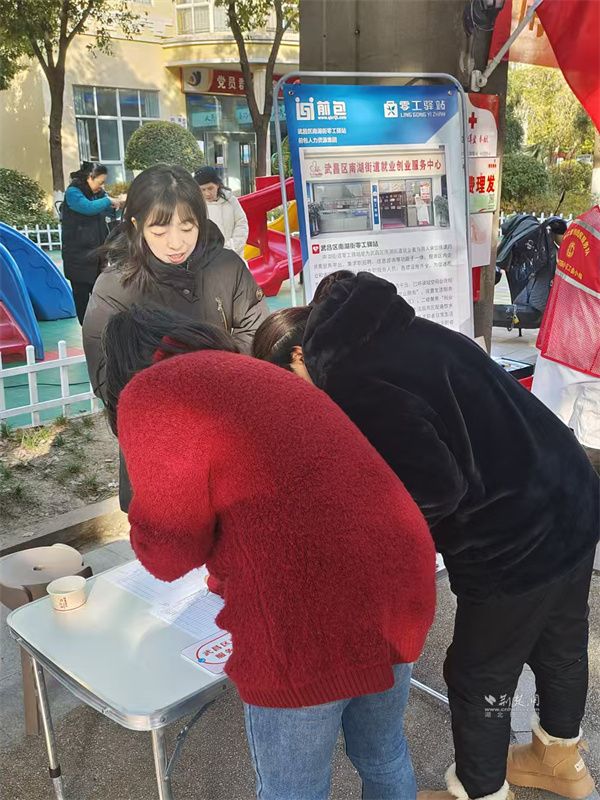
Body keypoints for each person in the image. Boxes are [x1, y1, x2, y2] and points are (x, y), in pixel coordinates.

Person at [253, 270, 599, 800]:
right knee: (561, 641)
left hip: (512, 540)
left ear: (299, 356)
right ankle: (559, 760)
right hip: (573, 494)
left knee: (478, 673)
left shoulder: (349, 377)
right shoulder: (393, 329)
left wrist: (354, 543)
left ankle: (481, 790)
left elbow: (433, 490)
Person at [101, 304, 437, 800]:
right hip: (398, 582)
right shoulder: (258, 372)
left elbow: (169, 554)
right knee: (384, 754)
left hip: (308, 621)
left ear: (120, 373)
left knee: (291, 790)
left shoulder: (150, 392)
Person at [82, 164, 269, 511]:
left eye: (187, 227)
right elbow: (108, 378)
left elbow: (257, 333)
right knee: (168, 534)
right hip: (158, 451)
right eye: (159, 229)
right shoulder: (115, 287)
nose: (176, 242)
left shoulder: (227, 266)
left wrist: (220, 381)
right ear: (136, 224)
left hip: (230, 435)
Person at [532, 205, 600, 474]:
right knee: (590, 433)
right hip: (589, 348)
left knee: (545, 424)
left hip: (563, 338)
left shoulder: (582, 224)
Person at [61, 161, 122, 324]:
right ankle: (86, 327)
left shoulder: (98, 194)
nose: (102, 186)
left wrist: (117, 204)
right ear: (89, 177)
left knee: (101, 295)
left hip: (96, 256)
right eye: (100, 182)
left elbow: (106, 210)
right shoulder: (73, 193)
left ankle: (102, 326)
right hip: (78, 258)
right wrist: (108, 200)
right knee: (82, 298)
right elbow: (88, 208)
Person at [194, 166, 249, 258]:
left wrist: (233, 246)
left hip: (235, 255)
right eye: (203, 190)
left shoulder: (231, 200)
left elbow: (241, 223)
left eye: (210, 188)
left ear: (217, 185)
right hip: (210, 258)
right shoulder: (197, 207)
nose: (207, 193)